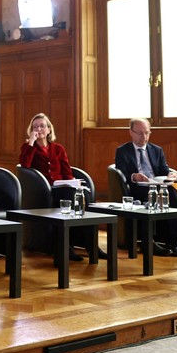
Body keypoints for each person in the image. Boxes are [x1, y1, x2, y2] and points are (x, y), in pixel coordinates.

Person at [18, 112, 106, 262]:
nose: (39, 129)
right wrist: (31, 143)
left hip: (62, 187)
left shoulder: (58, 148)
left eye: (42, 126)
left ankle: (91, 246)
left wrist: (73, 183)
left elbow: (67, 171)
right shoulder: (28, 147)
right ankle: (65, 247)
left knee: (80, 196)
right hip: (43, 190)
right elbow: (24, 166)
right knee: (69, 197)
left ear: (49, 130)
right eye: (35, 127)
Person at [114, 118, 177, 257]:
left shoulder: (156, 150)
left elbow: (164, 170)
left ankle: (176, 241)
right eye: (140, 133)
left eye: (147, 133)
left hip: (156, 184)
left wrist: (171, 175)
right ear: (131, 132)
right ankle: (148, 242)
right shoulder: (123, 151)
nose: (143, 137)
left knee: (173, 194)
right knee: (150, 195)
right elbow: (121, 172)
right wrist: (135, 176)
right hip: (137, 188)